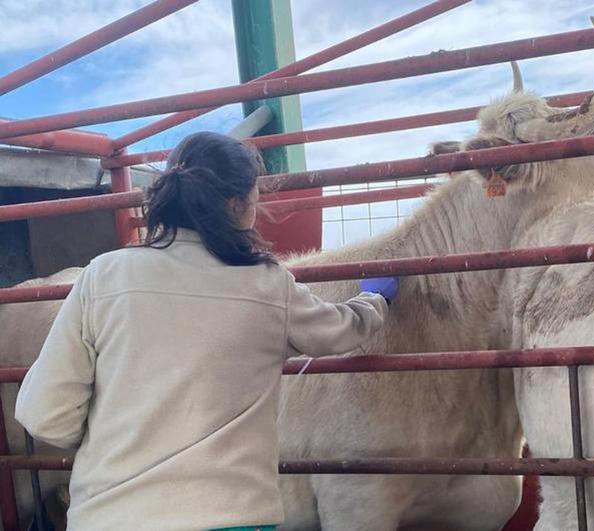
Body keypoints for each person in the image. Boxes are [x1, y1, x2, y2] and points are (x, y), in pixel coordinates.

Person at [15, 131, 399, 531]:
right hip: (229, 516)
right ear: (238, 205)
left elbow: (42, 415)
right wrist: (375, 300)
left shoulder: (103, 275)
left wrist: (118, 441)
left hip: (110, 516)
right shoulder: (267, 284)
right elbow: (340, 331)